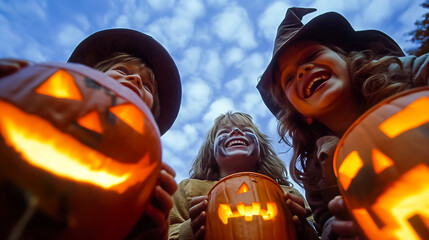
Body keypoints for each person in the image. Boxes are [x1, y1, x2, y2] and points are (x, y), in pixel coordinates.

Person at [257, 7, 429, 240]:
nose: (303, 70)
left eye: (312, 56)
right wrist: (342, 225)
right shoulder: (315, 173)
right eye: (289, 77)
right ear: (299, 112)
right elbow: (325, 220)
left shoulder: (410, 74)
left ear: (346, 59)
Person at [1, 29, 182, 239]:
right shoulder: (39, 86)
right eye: (122, 71)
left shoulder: (147, 173)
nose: (135, 79)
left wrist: (147, 231)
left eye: (148, 86)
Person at [169, 111, 319, 240]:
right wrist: (190, 231)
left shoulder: (287, 193)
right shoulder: (189, 189)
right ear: (211, 154)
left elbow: (317, 232)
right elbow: (165, 231)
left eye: (246, 130)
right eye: (223, 133)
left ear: (261, 153)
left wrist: (303, 229)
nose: (235, 131)